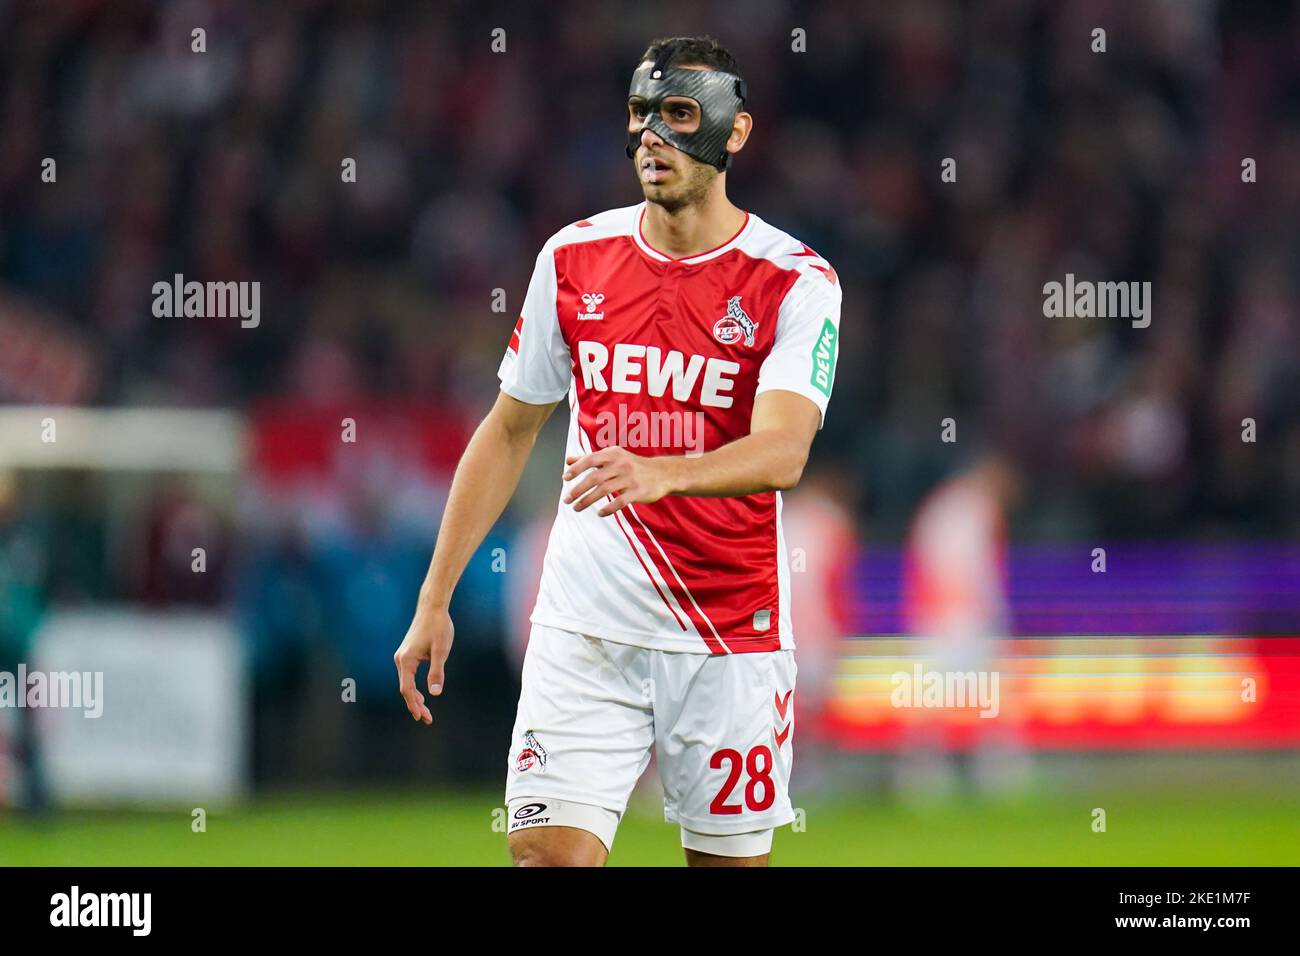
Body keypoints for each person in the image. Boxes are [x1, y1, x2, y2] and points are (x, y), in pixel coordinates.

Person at [394, 35, 842, 866]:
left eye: (679, 116)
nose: (653, 138)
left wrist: (663, 473)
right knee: (543, 859)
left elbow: (784, 452)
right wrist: (435, 595)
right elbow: (508, 429)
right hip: (584, 625)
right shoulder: (572, 258)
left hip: (726, 632)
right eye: (642, 116)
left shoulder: (795, 281)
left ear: (734, 131)